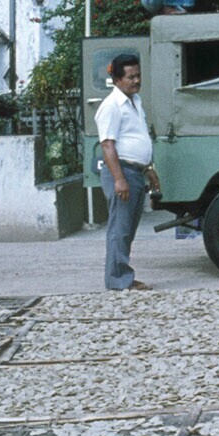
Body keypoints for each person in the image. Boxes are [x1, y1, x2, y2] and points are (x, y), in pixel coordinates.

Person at [95, 53, 159, 291]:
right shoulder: (111, 106)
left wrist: (149, 168)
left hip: (135, 171)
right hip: (121, 172)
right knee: (120, 229)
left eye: (138, 75)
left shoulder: (135, 102)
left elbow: (137, 137)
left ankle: (123, 276)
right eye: (131, 77)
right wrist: (119, 179)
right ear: (117, 80)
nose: (136, 80)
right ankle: (118, 280)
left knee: (128, 229)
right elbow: (107, 145)